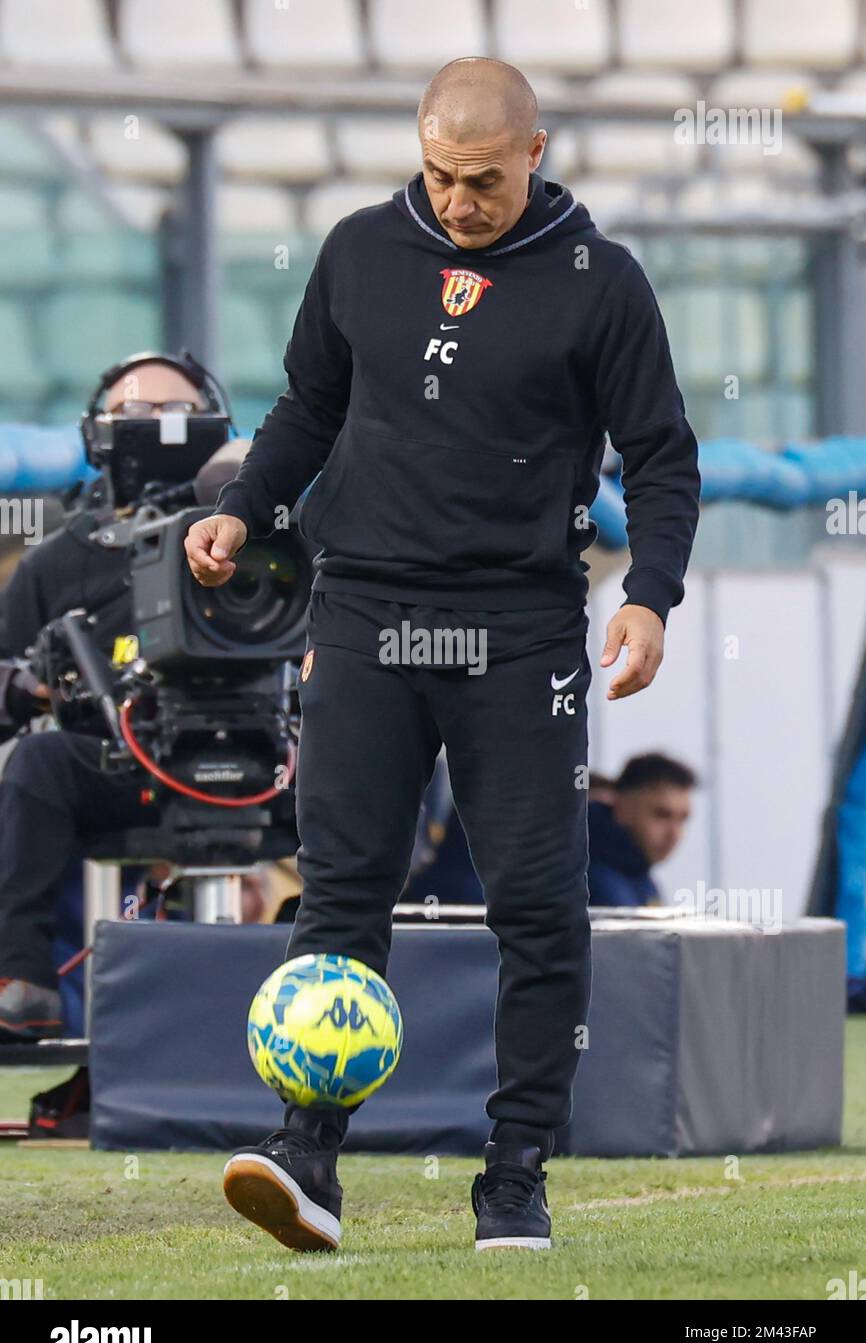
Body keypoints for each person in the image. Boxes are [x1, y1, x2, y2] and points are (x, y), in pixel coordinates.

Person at [186, 56, 701, 1253]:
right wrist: (245, 511)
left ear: (533, 151)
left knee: (537, 907)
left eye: (480, 180)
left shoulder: (601, 283)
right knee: (342, 893)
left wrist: (654, 599)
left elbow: (661, 456)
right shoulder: (360, 248)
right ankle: (308, 1152)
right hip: (361, 613)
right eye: (437, 175)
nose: (457, 202)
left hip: (520, 629)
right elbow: (308, 407)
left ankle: (512, 1173)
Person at [0, 356, 213, 1038]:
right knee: (37, 763)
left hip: (263, 751)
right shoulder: (56, 561)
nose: (156, 431)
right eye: (136, 417)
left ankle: (328, 951)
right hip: (120, 763)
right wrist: (31, 683)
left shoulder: (269, 535)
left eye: (177, 414)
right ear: (97, 436)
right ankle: (24, 979)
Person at [587, 753, 696, 907]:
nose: (674, 834)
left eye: (682, 819)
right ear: (621, 808)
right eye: (661, 815)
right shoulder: (585, 876)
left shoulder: (637, 873)